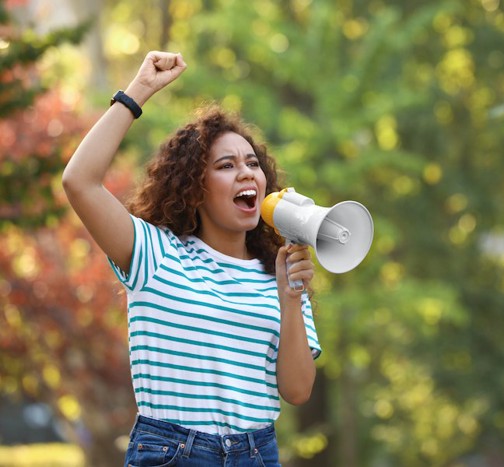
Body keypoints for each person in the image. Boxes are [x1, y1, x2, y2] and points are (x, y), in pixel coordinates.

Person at [62, 51, 321, 466]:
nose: (246, 173)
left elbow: (297, 391)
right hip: (174, 453)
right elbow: (79, 181)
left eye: (253, 164)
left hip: (257, 453)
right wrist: (138, 90)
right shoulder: (155, 254)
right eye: (226, 165)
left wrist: (291, 299)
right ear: (194, 188)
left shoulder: (278, 275)